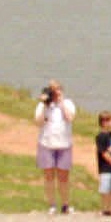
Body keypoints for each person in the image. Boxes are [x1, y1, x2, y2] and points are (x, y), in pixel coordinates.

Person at [33, 79, 76, 214]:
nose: (55, 93)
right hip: (47, 143)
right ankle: (52, 204)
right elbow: (38, 122)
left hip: (64, 144)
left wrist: (61, 103)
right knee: (49, 175)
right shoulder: (43, 106)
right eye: (53, 90)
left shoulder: (68, 103)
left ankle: (65, 204)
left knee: (64, 176)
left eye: (57, 90)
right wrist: (45, 105)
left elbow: (69, 118)